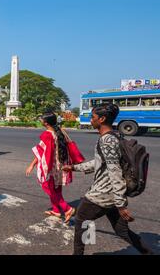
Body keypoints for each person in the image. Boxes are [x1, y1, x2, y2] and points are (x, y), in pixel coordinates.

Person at [63, 104, 152, 255]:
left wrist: (120, 204)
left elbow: (114, 171)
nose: (91, 120)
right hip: (111, 195)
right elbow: (99, 162)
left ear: (102, 119)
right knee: (121, 231)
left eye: (93, 117)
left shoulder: (107, 141)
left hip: (102, 194)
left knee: (82, 220)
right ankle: (147, 252)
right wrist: (74, 168)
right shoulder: (115, 136)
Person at [26, 112, 76, 223]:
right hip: (61, 165)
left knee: (48, 187)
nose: (40, 121)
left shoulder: (47, 135)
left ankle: (67, 209)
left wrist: (32, 165)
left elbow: (41, 152)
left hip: (51, 166)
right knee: (56, 188)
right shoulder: (61, 132)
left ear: (46, 123)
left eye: (41, 119)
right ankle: (56, 210)